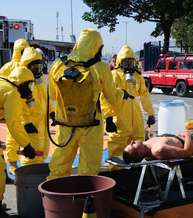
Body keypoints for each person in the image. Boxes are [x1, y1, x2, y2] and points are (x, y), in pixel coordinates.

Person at [47, 29, 134, 180]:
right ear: (97, 47)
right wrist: (123, 94)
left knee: (59, 165)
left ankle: (56, 197)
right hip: (91, 125)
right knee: (88, 168)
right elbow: (112, 98)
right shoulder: (99, 67)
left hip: (65, 124)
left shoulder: (58, 65)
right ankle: (84, 199)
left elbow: (53, 96)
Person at [101, 45, 155, 165]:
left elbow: (145, 95)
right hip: (119, 118)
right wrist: (108, 118)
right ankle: (116, 172)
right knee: (117, 146)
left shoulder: (138, 77)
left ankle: (137, 171)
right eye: (126, 62)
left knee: (139, 146)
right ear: (120, 62)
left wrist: (150, 113)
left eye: (131, 62)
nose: (129, 65)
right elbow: (105, 98)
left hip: (136, 118)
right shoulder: (114, 75)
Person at [0, 56, 38, 212]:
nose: (29, 89)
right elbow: (13, 124)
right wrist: (27, 145)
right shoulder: (12, 93)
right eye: (28, 85)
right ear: (22, 82)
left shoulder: (3, 82)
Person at [5, 47, 48, 174]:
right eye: (35, 67)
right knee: (28, 151)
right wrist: (26, 123)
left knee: (38, 151)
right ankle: (27, 176)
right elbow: (19, 104)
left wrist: (50, 111)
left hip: (38, 121)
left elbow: (43, 98)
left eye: (39, 66)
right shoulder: (21, 79)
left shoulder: (35, 80)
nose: (38, 70)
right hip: (27, 122)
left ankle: (35, 177)